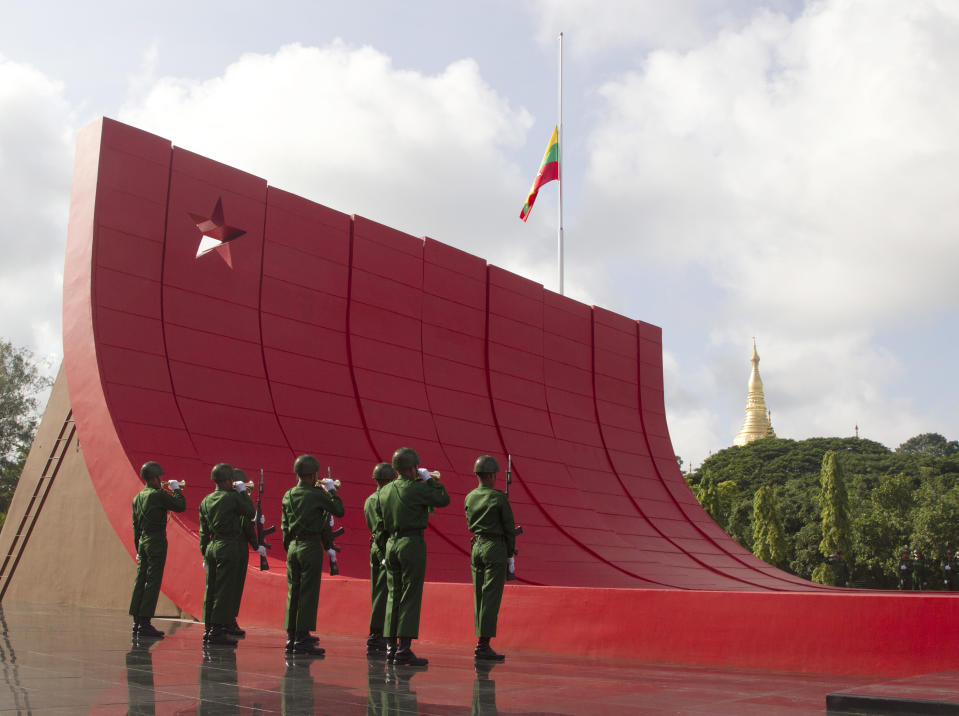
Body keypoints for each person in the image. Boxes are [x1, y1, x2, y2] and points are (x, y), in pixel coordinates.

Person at [378, 447, 450, 666]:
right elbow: (443, 499)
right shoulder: (416, 489)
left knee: (393, 594)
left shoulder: (384, 491)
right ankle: (404, 649)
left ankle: (390, 648)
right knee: (410, 595)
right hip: (411, 543)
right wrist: (430, 480)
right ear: (411, 468)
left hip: (391, 543)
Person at [281, 454, 344, 656]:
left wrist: (289, 546)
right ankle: (302, 639)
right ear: (312, 474)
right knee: (308, 593)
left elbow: (284, 526)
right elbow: (339, 510)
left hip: (293, 546)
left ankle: (292, 636)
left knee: (294, 592)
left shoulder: (288, 494)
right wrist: (332, 491)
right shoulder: (317, 494)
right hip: (310, 546)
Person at [464, 455, 517, 661]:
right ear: (493, 475)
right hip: (494, 547)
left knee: (479, 596)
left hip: (476, 545)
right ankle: (483, 644)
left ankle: (481, 641)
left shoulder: (469, 496)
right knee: (491, 597)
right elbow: (509, 528)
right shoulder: (498, 498)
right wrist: (510, 553)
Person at [199, 462, 257, 646]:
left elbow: (203, 531)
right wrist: (241, 492)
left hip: (212, 546)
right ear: (226, 480)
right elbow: (250, 511)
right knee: (224, 590)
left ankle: (209, 628)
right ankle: (216, 631)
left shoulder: (206, 500)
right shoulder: (231, 498)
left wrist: (204, 552)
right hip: (228, 546)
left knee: (211, 589)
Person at [129, 461, 186, 639]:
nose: (161, 480)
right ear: (153, 478)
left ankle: (137, 621)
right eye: (158, 477)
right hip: (156, 540)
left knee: (141, 580)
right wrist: (176, 489)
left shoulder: (137, 497)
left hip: (143, 541)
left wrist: (138, 546)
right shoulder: (157, 495)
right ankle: (145, 622)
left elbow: (135, 526)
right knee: (152, 581)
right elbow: (180, 506)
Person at [364, 462, 397, 654]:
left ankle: (377, 634)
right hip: (385, 545)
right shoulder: (387, 499)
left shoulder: (370, 499)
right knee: (385, 592)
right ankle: (378, 635)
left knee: (377, 591)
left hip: (375, 545)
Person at [226, 467, 258, 638]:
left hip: (229, 547)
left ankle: (225, 620)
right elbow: (245, 523)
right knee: (233, 587)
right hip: (236, 548)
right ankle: (228, 620)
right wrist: (256, 544)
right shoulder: (238, 503)